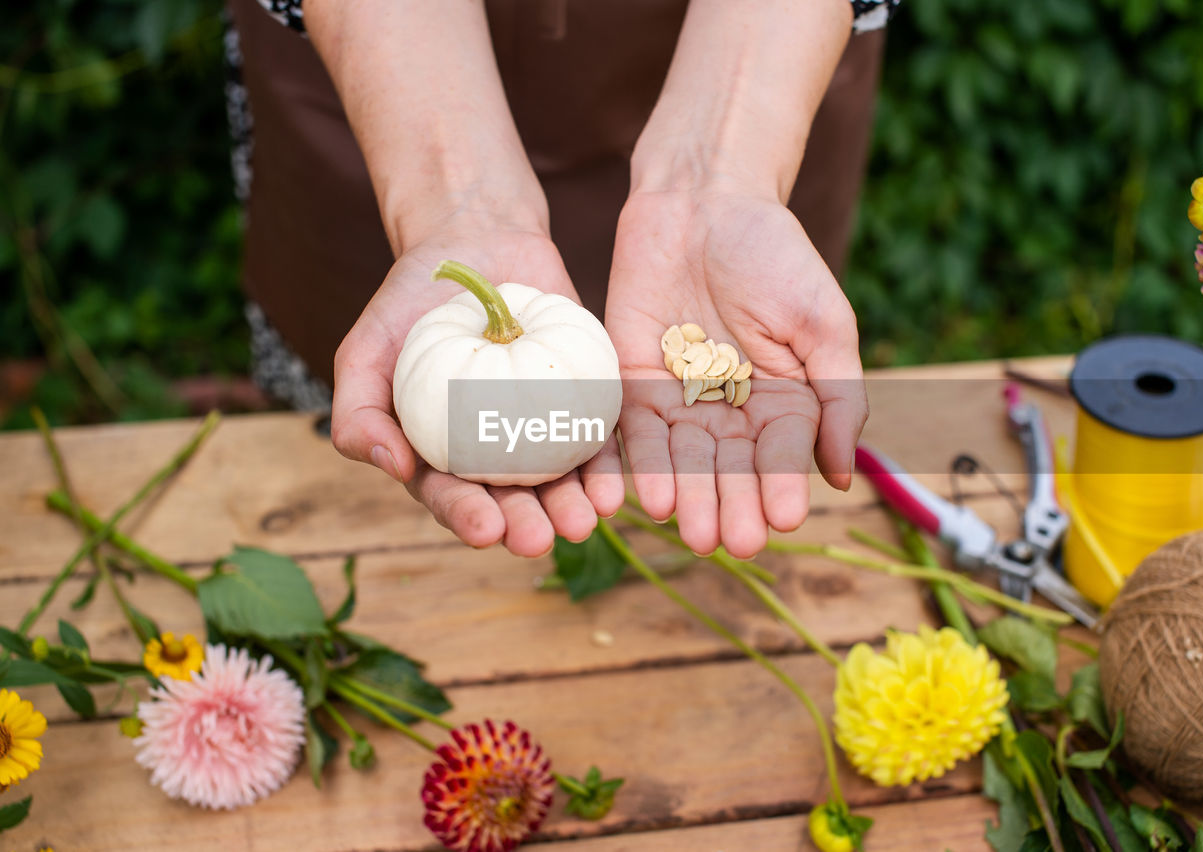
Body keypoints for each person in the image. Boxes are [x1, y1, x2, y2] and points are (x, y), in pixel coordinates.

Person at [225, 0, 893, 560]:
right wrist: (452, 205)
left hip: (764, 57)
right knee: (347, 493)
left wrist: (720, 171)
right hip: (386, 59)